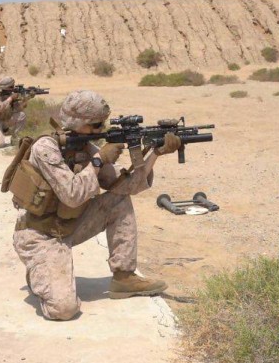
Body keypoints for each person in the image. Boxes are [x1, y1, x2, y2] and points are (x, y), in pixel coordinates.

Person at [12, 90, 181, 320]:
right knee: (63, 309)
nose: (101, 129)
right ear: (77, 122)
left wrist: (155, 153)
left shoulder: (86, 148)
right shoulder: (46, 148)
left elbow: (125, 187)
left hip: (69, 226)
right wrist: (99, 160)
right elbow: (72, 194)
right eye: (96, 125)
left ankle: (124, 277)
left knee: (118, 200)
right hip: (39, 235)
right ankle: (39, 272)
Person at [0, 77, 28, 148]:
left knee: (21, 115)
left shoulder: (9, 94)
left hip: (4, 119)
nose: (13, 88)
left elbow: (18, 109)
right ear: (6, 87)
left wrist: (25, 99)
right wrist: (11, 98)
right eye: (11, 87)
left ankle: (15, 138)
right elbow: (0, 108)